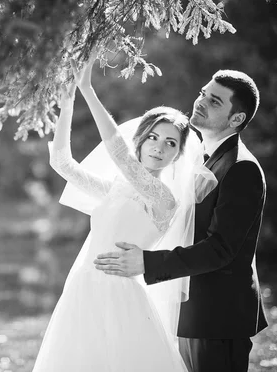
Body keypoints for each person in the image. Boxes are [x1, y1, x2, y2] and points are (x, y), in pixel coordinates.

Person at [31, 58, 216, 372]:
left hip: (119, 297)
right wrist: (68, 101)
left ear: (177, 155)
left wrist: (87, 89)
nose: (159, 148)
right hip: (83, 291)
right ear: (142, 140)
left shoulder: (164, 199)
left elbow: (118, 151)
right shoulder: (117, 187)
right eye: (154, 138)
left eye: (170, 143)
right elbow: (62, 163)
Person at [94, 69, 268, 372]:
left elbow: (220, 249)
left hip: (218, 317)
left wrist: (148, 263)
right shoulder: (201, 156)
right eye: (203, 93)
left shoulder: (241, 168)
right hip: (191, 311)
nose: (200, 101)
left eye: (214, 101)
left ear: (236, 119)